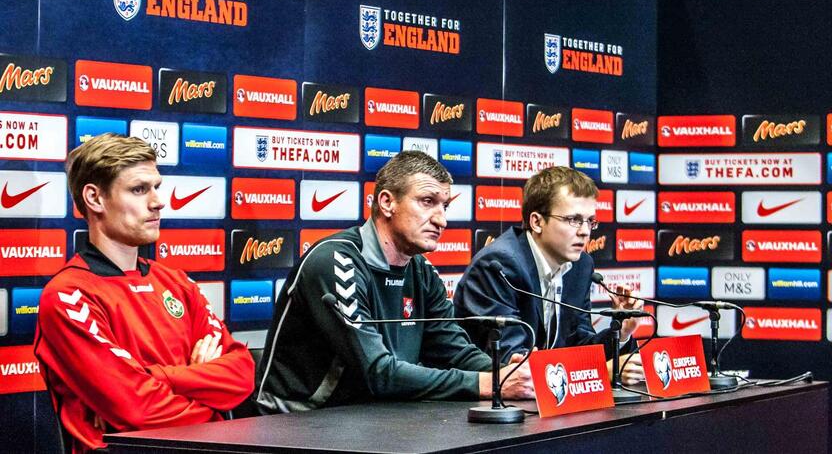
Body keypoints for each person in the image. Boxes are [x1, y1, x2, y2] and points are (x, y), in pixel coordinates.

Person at [255, 151, 534, 413]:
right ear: (387, 202)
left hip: (377, 414)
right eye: (427, 202)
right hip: (301, 420)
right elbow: (378, 372)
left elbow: (454, 351)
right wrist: (489, 383)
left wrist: (504, 373)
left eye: (445, 206)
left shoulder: (422, 270)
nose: (442, 220)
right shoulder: (335, 261)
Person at [34, 133, 254, 453]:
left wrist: (155, 377)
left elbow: (241, 374)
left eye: (156, 187)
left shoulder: (177, 283)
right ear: (94, 198)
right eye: (139, 189)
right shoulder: (69, 296)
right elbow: (137, 408)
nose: (157, 201)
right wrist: (208, 402)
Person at [453, 166, 644, 384]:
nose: (584, 231)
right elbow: (513, 362)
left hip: (547, 398)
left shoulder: (581, 265)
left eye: (590, 221)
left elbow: (578, 341)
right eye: (573, 219)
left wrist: (621, 332)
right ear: (537, 222)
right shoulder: (499, 265)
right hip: (485, 403)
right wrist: (600, 372)